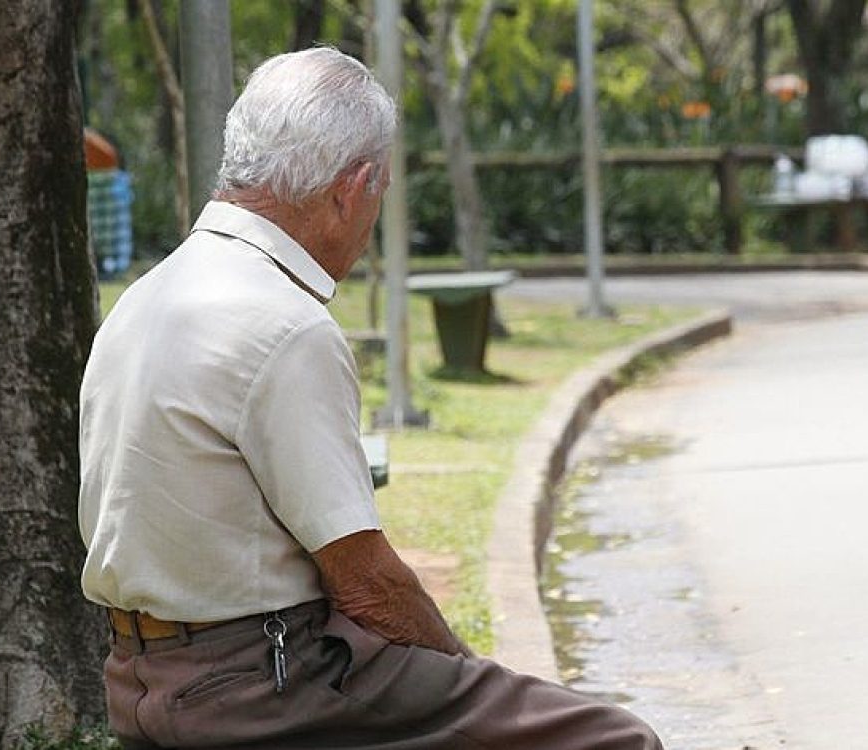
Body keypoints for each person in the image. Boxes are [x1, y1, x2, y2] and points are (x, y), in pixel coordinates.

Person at [78, 48, 663, 750]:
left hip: (136, 676)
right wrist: (465, 678)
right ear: (353, 187)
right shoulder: (284, 325)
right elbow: (367, 585)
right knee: (611, 739)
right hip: (262, 683)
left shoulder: (146, 297)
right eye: (380, 193)